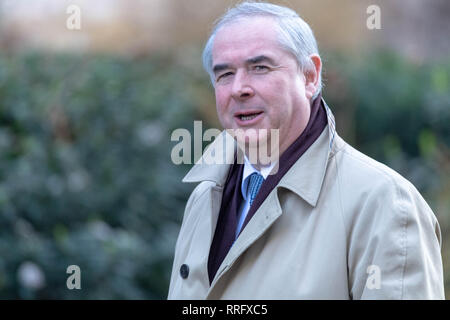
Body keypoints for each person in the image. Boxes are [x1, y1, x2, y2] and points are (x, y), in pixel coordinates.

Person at [168, 2, 444, 299]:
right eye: (224, 74)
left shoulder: (384, 203)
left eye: (259, 68)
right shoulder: (204, 197)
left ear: (310, 76)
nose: (238, 88)